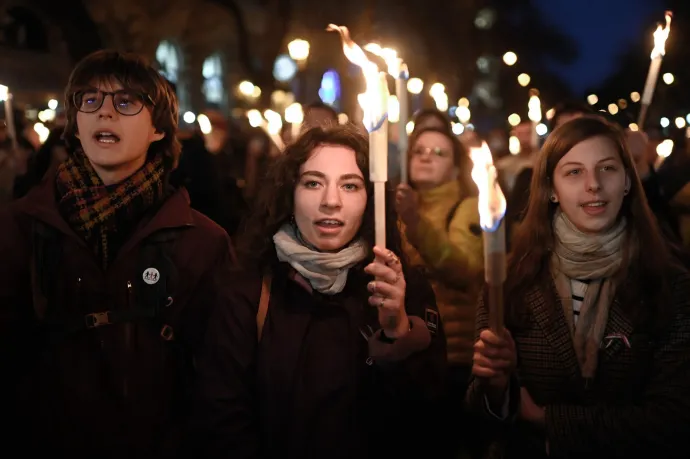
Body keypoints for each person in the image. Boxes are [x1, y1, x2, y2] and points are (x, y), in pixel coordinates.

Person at [0, 50, 236, 457]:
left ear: (159, 129)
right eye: (89, 100)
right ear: (75, 123)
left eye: (125, 102)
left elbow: (221, 380)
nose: (104, 113)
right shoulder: (18, 228)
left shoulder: (203, 243)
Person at [192, 124, 447, 458]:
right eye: (313, 183)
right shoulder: (251, 289)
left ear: (371, 197)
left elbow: (428, 421)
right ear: (290, 194)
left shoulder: (402, 288)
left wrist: (398, 333)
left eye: (350, 185)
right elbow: (222, 414)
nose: (331, 201)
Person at [466, 116, 690, 458]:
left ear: (628, 181)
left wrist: (547, 419)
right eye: (574, 172)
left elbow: (673, 419)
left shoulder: (670, 285)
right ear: (551, 190)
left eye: (608, 169)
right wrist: (497, 387)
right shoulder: (512, 283)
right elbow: (482, 415)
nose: (593, 185)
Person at [395, 126, 483, 457]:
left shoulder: (469, 208)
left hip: (454, 358)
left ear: (457, 168)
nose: (426, 157)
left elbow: (464, 268)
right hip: (409, 351)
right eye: (419, 150)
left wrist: (416, 224)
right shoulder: (397, 209)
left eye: (438, 152)